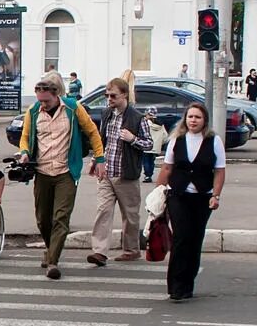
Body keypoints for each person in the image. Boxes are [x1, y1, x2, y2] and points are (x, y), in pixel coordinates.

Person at [17, 71, 105, 280]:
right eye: (39, 101)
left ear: (56, 95)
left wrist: (100, 158)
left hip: (66, 171)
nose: (43, 105)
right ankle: (50, 248)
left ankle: (53, 261)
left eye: (46, 101)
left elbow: (92, 131)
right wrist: (24, 153)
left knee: (61, 217)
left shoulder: (73, 108)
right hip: (42, 171)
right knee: (42, 219)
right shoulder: (34, 111)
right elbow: (25, 137)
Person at [155, 102, 226, 301]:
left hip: (203, 197)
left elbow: (219, 171)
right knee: (181, 237)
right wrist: (158, 193)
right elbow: (167, 168)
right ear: (185, 119)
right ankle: (176, 286)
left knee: (195, 240)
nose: (193, 120)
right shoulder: (177, 140)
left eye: (198, 117)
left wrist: (216, 195)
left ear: (205, 121)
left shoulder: (214, 141)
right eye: (190, 117)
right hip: (178, 195)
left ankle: (188, 284)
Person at [87, 78, 153, 266]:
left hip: (127, 174)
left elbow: (149, 144)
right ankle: (99, 252)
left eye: (113, 95)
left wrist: (133, 139)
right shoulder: (107, 114)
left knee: (130, 215)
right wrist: (96, 160)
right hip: (107, 172)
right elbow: (102, 141)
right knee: (103, 211)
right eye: (107, 95)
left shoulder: (137, 118)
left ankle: (131, 250)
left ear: (124, 94)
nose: (109, 99)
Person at [141, 108, 168, 183]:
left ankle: (147, 176)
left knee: (146, 160)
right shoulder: (161, 124)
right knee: (151, 161)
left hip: (146, 145)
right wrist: (160, 143)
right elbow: (165, 136)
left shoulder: (145, 123)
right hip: (156, 146)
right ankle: (150, 175)